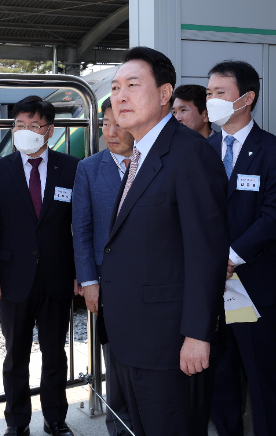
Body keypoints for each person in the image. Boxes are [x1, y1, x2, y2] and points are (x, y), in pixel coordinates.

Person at [102, 46, 228, 435]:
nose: (119, 96)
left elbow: (206, 252)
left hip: (169, 344)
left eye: (132, 85)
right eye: (115, 87)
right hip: (130, 338)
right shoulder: (140, 152)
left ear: (163, 94)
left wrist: (196, 334)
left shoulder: (190, 154)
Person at [0, 96, 79, 436]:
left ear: (49, 131)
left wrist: (82, 272)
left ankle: (55, 418)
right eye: (19, 125)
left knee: (55, 354)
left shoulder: (71, 167)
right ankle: (17, 422)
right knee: (15, 357)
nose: (25, 131)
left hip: (57, 276)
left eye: (33, 126)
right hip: (12, 278)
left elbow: (80, 226)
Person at [207, 60, 276, 436]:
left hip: (248, 283)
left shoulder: (274, 152)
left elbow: (275, 217)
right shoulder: (202, 149)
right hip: (210, 288)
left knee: (260, 377)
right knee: (221, 373)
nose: (212, 101)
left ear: (246, 98)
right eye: (209, 94)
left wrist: (228, 258)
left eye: (220, 94)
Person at [72, 97, 134, 436]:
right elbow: (81, 229)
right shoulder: (90, 168)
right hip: (107, 283)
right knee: (115, 361)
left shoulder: (153, 162)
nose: (110, 132)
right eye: (105, 123)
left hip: (148, 283)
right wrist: (88, 280)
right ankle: (118, 425)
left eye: (118, 124)